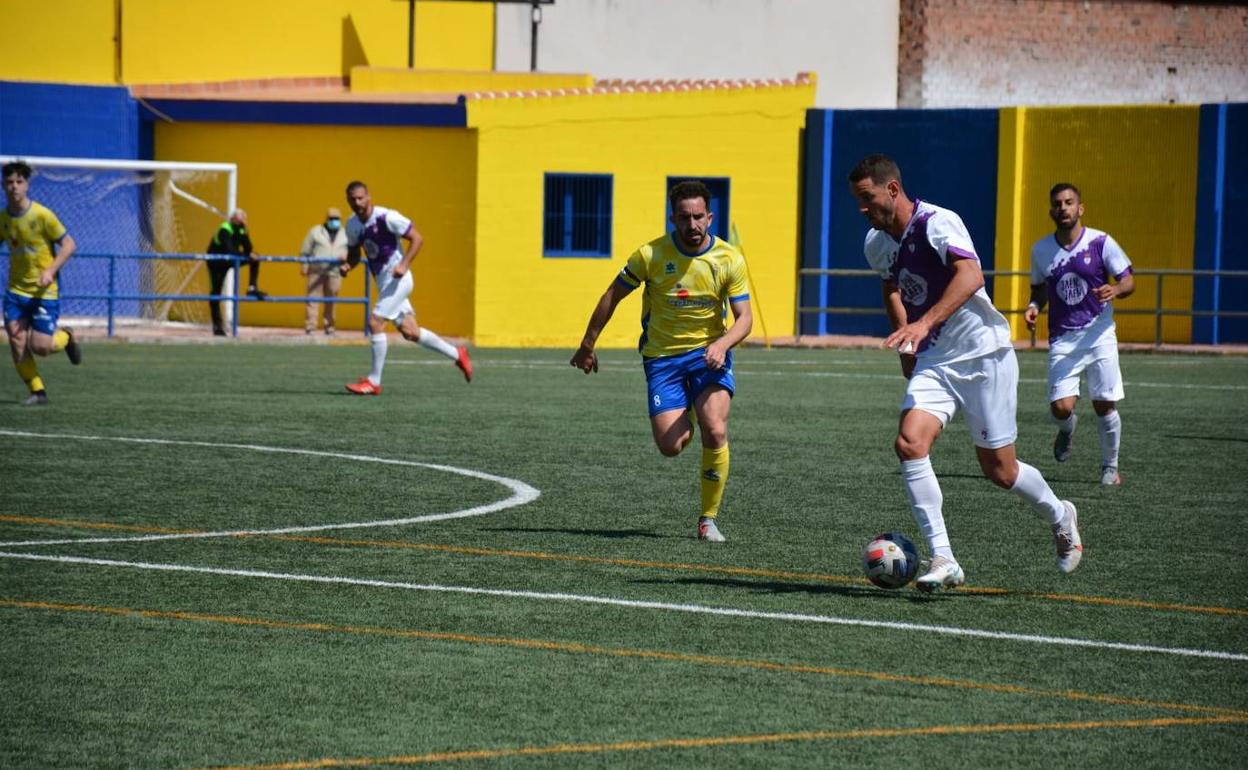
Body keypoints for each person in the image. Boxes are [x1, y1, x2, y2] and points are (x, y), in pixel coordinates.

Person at [847, 154, 1081, 591]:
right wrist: (906, 334)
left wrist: (923, 323)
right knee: (909, 442)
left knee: (1000, 470)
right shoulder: (876, 243)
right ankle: (944, 557)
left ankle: (1059, 514)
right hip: (935, 359)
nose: (862, 208)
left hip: (984, 354)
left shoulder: (938, 222)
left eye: (867, 198)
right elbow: (891, 284)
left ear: (892, 190)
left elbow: (971, 275)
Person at [570, 180, 753, 543]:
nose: (692, 224)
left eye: (699, 216)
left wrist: (722, 344)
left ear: (710, 217)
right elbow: (612, 295)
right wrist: (587, 344)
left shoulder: (729, 259)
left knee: (715, 429)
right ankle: (688, 409)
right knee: (671, 446)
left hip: (708, 357)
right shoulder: (650, 256)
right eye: (684, 217)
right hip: (662, 359)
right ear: (673, 218)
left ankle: (708, 519)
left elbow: (744, 318)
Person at [1024, 183, 1135, 486]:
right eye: (1058, 204)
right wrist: (1034, 306)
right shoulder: (1041, 250)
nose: (1063, 208)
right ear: (1051, 211)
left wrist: (1116, 289)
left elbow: (1128, 281)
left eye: (1069, 202)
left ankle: (1110, 468)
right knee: (1060, 409)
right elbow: (1040, 289)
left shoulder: (1101, 242)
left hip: (1099, 334)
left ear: (1080, 208)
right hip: (1063, 338)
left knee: (1104, 404)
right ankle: (1067, 428)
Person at [340, 180, 472, 393]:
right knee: (410, 331)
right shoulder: (352, 225)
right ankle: (458, 355)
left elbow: (417, 238)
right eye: (352, 199)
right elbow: (355, 255)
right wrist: (347, 265)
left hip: (399, 279)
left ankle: (373, 382)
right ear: (348, 201)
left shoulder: (387, 217)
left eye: (360, 198)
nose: (357, 202)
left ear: (369, 197)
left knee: (375, 323)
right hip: (385, 283)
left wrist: (404, 264)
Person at [2, 160, 83, 406]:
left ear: (27, 185)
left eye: (19, 182)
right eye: (9, 182)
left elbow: (69, 245)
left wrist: (50, 269)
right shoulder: (3, 219)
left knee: (41, 347)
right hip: (16, 292)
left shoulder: (42, 215)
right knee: (17, 342)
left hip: (44, 292)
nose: (14, 187)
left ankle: (66, 337)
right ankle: (38, 392)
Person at [206, 208, 266, 336]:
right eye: (241, 219)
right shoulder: (225, 229)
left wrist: (245, 232)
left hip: (231, 259)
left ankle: (252, 287)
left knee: (255, 259)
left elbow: (248, 248)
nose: (243, 221)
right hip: (217, 262)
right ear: (233, 219)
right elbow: (229, 250)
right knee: (216, 292)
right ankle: (217, 327)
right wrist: (246, 254)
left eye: (244, 219)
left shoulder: (241, 229)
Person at [299, 206, 348, 335]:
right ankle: (310, 327)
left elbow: (352, 251)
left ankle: (330, 327)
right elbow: (305, 250)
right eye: (332, 219)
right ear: (326, 219)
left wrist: (346, 258)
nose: (334, 221)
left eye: (337, 219)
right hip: (316, 270)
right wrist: (304, 266)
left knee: (332, 301)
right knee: (312, 300)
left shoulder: (345, 233)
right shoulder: (315, 232)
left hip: (335, 272)